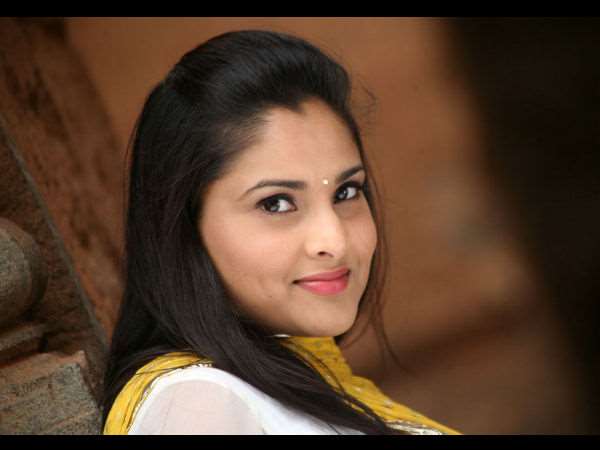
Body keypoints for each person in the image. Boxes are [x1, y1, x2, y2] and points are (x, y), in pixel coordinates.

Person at [101, 29, 459, 435]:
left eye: (346, 192)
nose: (334, 241)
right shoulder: (198, 405)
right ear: (184, 224)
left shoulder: (300, 384)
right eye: (276, 203)